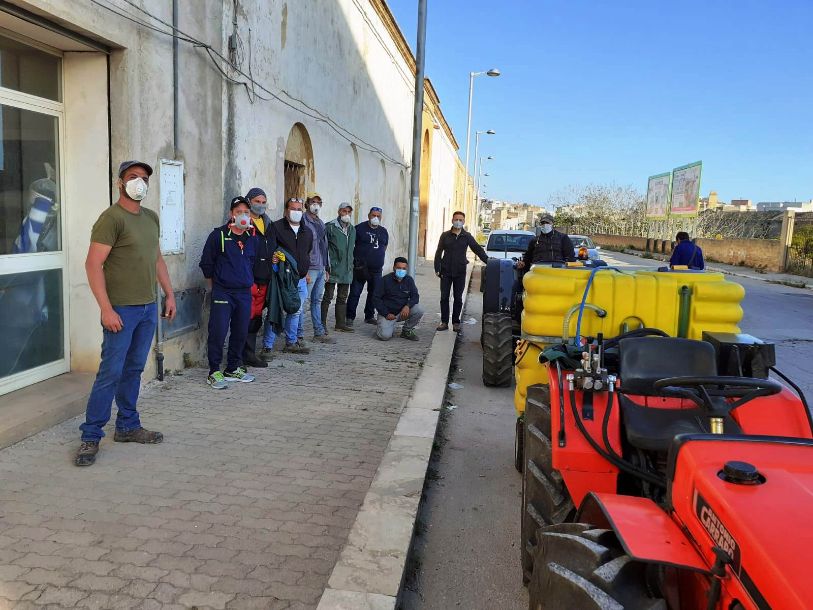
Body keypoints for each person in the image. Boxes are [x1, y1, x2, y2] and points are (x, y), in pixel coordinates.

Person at [75, 160, 177, 467]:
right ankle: (90, 435)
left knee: (133, 370)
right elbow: (93, 264)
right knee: (111, 372)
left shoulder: (150, 218)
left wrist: (169, 293)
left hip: (147, 308)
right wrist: (106, 309)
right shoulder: (111, 218)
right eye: (133, 177)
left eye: (144, 178)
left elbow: (156, 258)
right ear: (120, 183)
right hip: (121, 309)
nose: (139, 182)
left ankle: (127, 426)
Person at [199, 196, 257, 389]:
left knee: (240, 331)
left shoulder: (251, 237)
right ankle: (214, 370)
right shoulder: (218, 236)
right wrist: (214, 287)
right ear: (231, 214)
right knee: (218, 331)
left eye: (246, 212)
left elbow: (252, 263)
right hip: (223, 292)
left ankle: (233, 367)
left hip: (244, 293)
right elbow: (206, 263)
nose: (243, 215)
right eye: (239, 212)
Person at [263, 197, 313, 354]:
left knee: (296, 310)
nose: (296, 212)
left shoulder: (307, 231)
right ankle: (267, 346)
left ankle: (290, 342)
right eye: (293, 208)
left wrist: (306, 272)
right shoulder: (275, 227)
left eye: (299, 209)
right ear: (286, 211)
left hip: (300, 280)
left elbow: (307, 252)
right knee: (275, 309)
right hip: (282, 279)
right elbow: (269, 249)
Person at [434, 211, 489, 332]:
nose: (458, 222)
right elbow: (438, 252)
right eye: (456, 219)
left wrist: (488, 261)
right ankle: (444, 322)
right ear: (452, 220)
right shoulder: (445, 235)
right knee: (444, 297)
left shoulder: (467, 236)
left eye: (460, 220)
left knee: (458, 298)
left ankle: (455, 322)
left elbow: (477, 250)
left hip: (460, 271)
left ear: (464, 221)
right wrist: (437, 268)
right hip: (446, 271)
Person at [243, 187, 277, 367]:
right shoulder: (244, 223)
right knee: (245, 317)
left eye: (264, 202)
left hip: (265, 277)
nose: (261, 205)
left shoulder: (268, 223)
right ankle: (242, 354)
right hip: (250, 278)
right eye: (257, 202)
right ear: (249, 202)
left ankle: (249, 353)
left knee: (256, 317)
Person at [301, 192, 335, 344]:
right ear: (307, 204)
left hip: (321, 267)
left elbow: (324, 246)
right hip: (309, 268)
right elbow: (301, 248)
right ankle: (298, 335)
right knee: (303, 301)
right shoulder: (302, 221)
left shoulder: (320, 223)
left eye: (319, 202)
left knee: (317, 300)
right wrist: (304, 269)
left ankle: (318, 332)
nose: (316, 205)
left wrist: (326, 267)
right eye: (313, 202)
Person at [347, 206, 389, 326]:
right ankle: (350, 316)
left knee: (374, 293)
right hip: (360, 268)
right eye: (373, 215)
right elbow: (351, 246)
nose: (375, 218)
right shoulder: (359, 229)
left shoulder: (383, 231)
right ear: (369, 216)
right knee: (355, 292)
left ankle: (369, 315)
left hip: (376, 270)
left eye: (378, 216)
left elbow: (384, 247)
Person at [323, 202, 357, 332]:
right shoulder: (330, 227)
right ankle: (322, 324)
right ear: (339, 212)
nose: (346, 214)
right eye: (344, 211)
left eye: (349, 212)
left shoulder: (352, 230)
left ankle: (340, 324)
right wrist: (326, 265)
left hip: (347, 269)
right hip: (333, 268)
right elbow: (324, 247)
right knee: (328, 296)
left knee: (343, 297)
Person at [373, 257, 423, 341]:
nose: (401, 270)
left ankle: (406, 331)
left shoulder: (409, 280)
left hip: (402, 312)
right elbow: (376, 298)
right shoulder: (385, 280)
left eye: (404, 268)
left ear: (406, 269)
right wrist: (386, 313)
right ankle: (383, 327)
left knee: (419, 309)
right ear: (394, 268)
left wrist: (407, 306)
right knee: (384, 336)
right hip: (387, 314)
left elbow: (415, 296)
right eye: (399, 268)